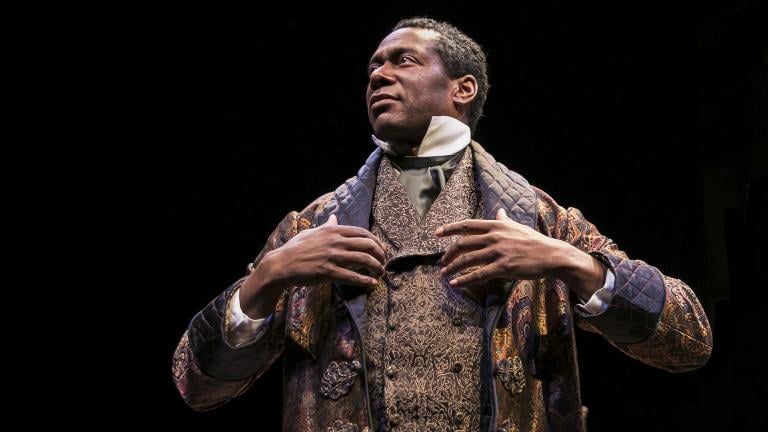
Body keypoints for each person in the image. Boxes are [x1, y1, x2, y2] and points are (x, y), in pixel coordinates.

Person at [172, 17, 712, 432]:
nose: (378, 75)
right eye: (372, 68)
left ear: (463, 88)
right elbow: (195, 385)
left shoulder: (537, 217)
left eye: (401, 60)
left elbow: (689, 341)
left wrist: (571, 262)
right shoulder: (314, 224)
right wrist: (264, 280)